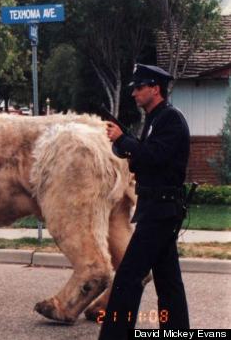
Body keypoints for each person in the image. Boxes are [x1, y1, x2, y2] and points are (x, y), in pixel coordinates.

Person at [99, 64, 190, 339]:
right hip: (156, 208)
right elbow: (144, 160)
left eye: (139, 87)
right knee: (167, 280)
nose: (134, 93)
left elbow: (155, 156)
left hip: (160, 211)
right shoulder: (155, 119)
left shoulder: (170, 119)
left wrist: (124, 140)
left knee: (127, 277)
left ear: (155, 89)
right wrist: (123, 143)